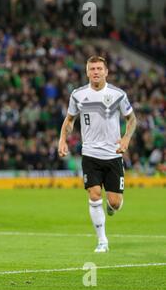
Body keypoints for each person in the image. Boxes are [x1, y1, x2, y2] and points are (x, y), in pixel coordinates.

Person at [58, 56, 137, 253]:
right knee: (94, 196)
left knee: (115, 203)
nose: (95, 72)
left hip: (113, 155)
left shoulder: (117, 94)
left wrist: (126, 138)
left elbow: (132, 119)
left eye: (99, 68)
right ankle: (102, 241)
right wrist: (62, 139)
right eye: (92, 68)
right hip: (90, 154)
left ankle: (112, 207)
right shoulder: (78, 95)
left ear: (106, 72)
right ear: (87, 72)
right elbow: (69, 120)